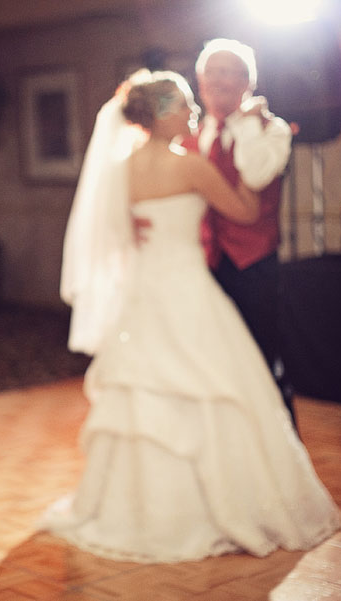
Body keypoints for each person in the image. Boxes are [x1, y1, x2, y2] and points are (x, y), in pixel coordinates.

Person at [46, 69, 341, 563]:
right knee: (220, 389)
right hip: (187, 289)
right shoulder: (192, 165)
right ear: (161, 115)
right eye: (184, 105)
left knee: (146, 397)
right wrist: (255, 180)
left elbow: (114, 233)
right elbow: (245, 213)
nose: (193, 113)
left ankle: (140, 510)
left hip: (143, 297)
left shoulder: (121, 168)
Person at [140, 38, 296, 420]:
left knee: (261, 362)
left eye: (231, 72)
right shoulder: (185, 139)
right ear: (200, 80)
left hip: (253, 264)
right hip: (200, 267)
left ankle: (278, 443)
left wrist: (245, 126)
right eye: (212, 72)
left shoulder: (271, 129)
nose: (220, 81)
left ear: (248, 82)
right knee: (211, 365)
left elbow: (257, 176)